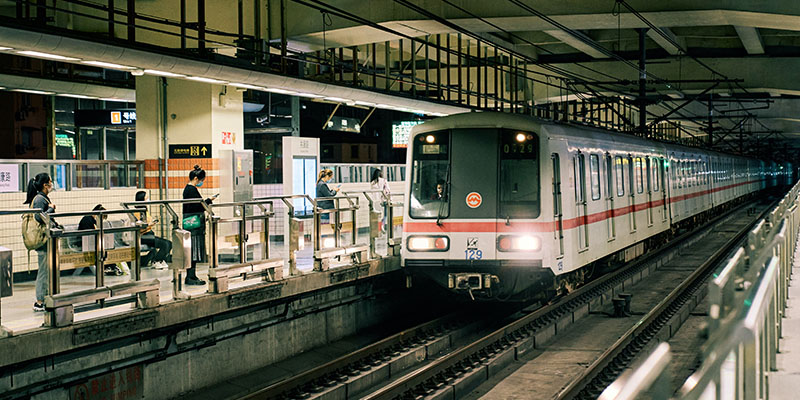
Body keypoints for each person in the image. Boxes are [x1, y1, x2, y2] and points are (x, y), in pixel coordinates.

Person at [24, 173, 55, 312]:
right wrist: (51, 208)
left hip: (45, 240)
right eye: (50, 181)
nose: (51, 184)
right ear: (44, 184)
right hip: (42, 241)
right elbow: (39, 217)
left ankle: (46, 297)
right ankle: (39, 301)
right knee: (43, 271)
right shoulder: (39, 199)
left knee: (47, 270)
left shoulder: (41, 198)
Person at [182, 165, 218, 285]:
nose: (202, 183)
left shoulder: (189, 189)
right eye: (201, 180)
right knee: (194, 250)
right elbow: (197, 206)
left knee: (193, 250)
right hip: (194, 225)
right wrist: (208, 200)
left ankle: (191, 276)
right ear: (196, 178)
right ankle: (190, 277)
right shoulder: (191, 190)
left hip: (193, 223)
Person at [78, 205, 124, 276]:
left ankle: (110, 266)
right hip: (84, 242)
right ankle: (109, 267)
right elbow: (86, 235)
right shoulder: (87, 220)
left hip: (90, 241)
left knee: (104, 246)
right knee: (101, 248)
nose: (102, 219)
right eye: (102, 217)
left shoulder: (93, 220)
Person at [135, 191, 172, 270]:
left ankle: (159, 260)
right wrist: (149, 225)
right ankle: (156, 260)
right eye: (146, 198)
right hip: (143, 236)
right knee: (166, 244)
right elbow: (139, 229)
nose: (148, 199)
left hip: (149, 234)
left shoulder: (145, 211)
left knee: (168, 243)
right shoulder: (138, 213)